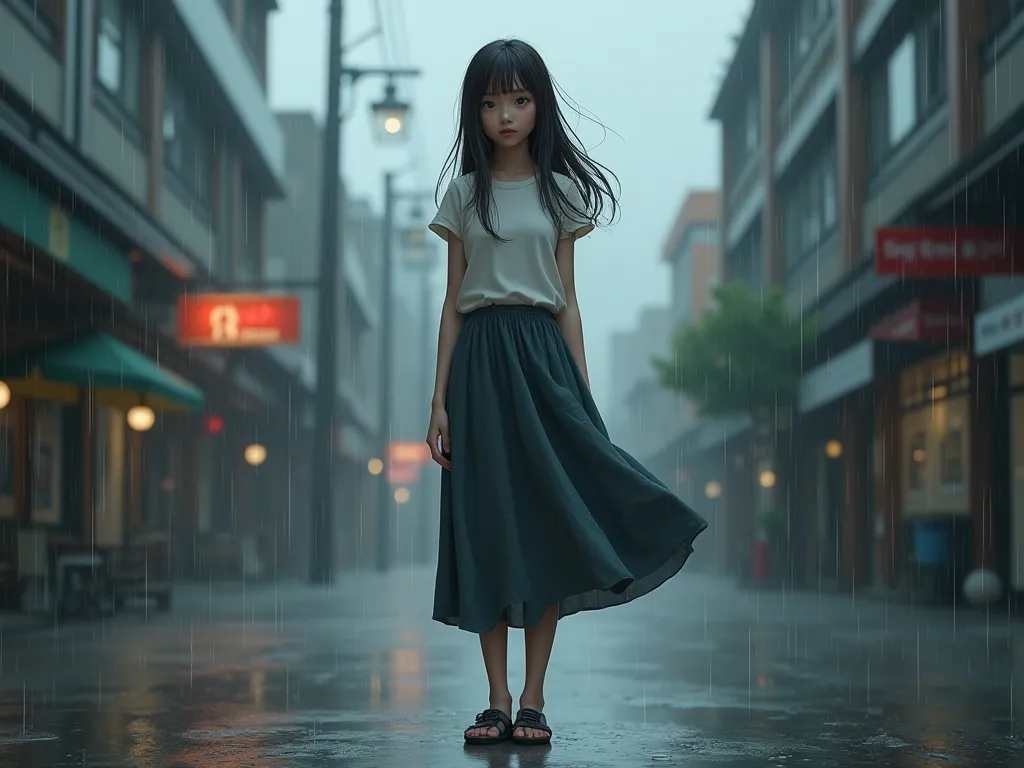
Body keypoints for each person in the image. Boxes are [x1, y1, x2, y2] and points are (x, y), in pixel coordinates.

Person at [425, 38, 709, 747]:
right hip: (481, 365)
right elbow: (454, 302)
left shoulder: (559, 191)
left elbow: (570, 302)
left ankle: (534, 699)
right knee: (484, 526)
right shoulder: (464, 193)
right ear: (476, 112)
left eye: (519, 99)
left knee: (550, 522)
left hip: (544, 361)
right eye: (490, 103)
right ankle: (494, 700)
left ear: (539, 104)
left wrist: (580, 391)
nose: (505, 115)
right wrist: (438, 402)